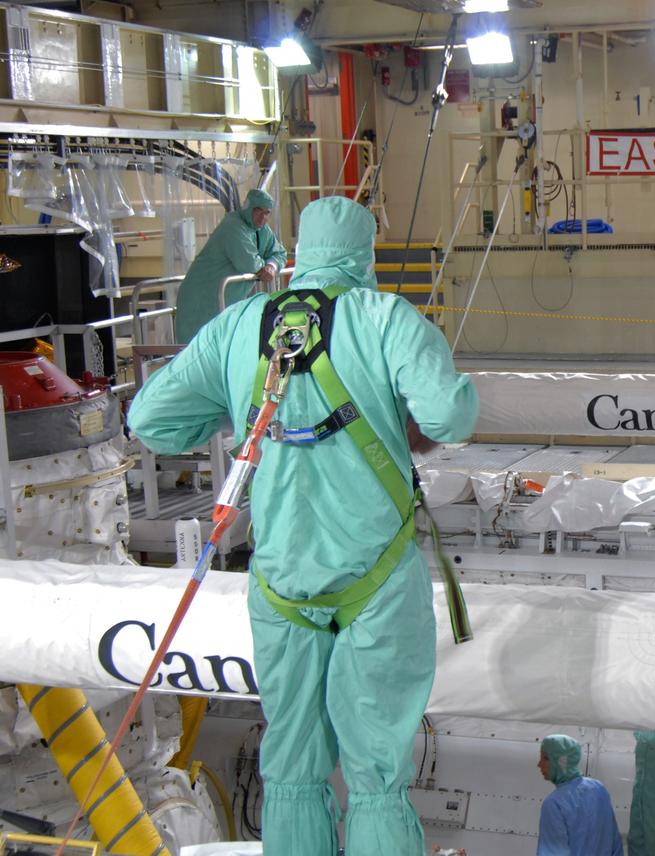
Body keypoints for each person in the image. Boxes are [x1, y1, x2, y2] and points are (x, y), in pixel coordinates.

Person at [128, 196, 478, 856]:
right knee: (375, 777)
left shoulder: (240, 327)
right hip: (375, 581)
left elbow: (150, 420)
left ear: (300, 253)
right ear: (364, 254)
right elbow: (451, 419)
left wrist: (235, 411)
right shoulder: (385, 319)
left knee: (289, 767)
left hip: (283, 585)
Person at [174, 188, 289, 343]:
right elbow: (249, 264)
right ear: (247, 208)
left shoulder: (260, 230)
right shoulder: (233, 226)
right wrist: (264, 266)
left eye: (267, 213)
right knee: (197, 349)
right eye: (258, 210)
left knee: (220, 345)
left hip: (225, 300)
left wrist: (272, 266)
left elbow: (280, 253)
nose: (262, 217)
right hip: (201, 298)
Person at [536, 734, 624, 856]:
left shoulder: (554, 804)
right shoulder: (598, 788)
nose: (539, 764)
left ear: (561, 761)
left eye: (545, 758)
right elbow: (615, 843)